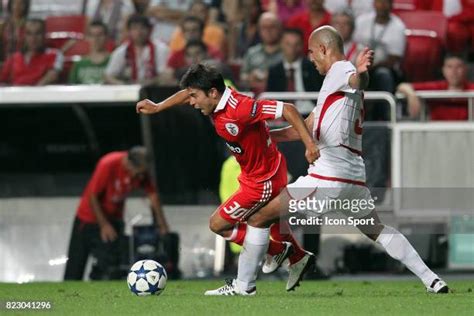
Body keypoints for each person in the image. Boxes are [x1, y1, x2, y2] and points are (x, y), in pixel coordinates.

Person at [221, 25, 449, 296]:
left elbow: (356, 80)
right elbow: (304, 127)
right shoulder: (331, 88)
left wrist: (363, 74)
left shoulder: (341, 70)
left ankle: (244, 286)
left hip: (327, 178)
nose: (310, 58)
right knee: (376, 229)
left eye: (311, 52)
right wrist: (266, 137)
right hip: (352, 178)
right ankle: (432, 279)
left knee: (258, 217)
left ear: (324, 49)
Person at [136, 63, 320, 295]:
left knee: (219, 224)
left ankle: (276, 254)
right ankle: (281, 263)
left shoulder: (241, 108)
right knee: (264, 223)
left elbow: (288, 110)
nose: (191, 102)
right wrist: (158, 107)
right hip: (256, 173)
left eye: (195, 97)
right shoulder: (214, 98)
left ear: (213, 93)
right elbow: (186, 93)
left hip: (264, 179)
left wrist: (309, 145)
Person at [64, 146, 169, 280]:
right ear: (130, 164)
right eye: (139, 173)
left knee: (111, 266)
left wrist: (162, 224)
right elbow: (92, 196)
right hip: (88, 220)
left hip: (114, 220)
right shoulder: (108, 163)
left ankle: (102, 294)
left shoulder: (140, 171)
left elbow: (153, 196)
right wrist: (104, 225)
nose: (141, 177)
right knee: (75, 268)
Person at [397, 54, 474, 120]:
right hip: (436, 133)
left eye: (458, 67)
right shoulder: (437, 86)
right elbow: (402, 86)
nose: (454, 71)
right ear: (443, 70)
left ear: (465, 69)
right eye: (449, 67)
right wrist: (412, 96)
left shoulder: (471, 88)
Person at [266, 28, 323, 115]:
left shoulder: (313, 67)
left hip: (310, 114)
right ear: (281, 44)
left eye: (296, 44)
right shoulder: (274, 71)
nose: (292, 48)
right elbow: (271, 98)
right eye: (288, 44)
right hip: (283, 116)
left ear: (302, 45)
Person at [104, 14, 173, 86]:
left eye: (142, 28)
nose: (139, 32)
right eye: (135, 28)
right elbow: (108, 76)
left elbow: (166, 75)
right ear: (129, 31)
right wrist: (124, 85)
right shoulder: (121, 51)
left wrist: (148, 83)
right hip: (128, 92)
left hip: (155, 90)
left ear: (149, 30)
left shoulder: (161, 48)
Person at [0, 18, 63, 86]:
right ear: (24, 36)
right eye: (29, 33)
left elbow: (52, 75)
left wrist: (32, 92)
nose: (33, 38)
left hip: (41, 94)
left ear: (44, 35)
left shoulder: (55, 54)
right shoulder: (14, 58)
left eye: (37, 33)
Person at [240, 12, 283, 93]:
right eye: (264, 27)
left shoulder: (288, 53)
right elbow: (243, 76)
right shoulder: (251, 53)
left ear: (279, 29)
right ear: (259, 30)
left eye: (272, 27)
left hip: (280, 95)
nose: (268, 31)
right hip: (256, 97)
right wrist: (250, 77)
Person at [0, 0, 30, 65]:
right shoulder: (3, 25)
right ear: (10, 5)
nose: (17, 6)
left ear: (26, 6)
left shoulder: (29, 25)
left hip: (23, 64)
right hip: (5, 63)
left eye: (21, 3)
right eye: (15, 3)